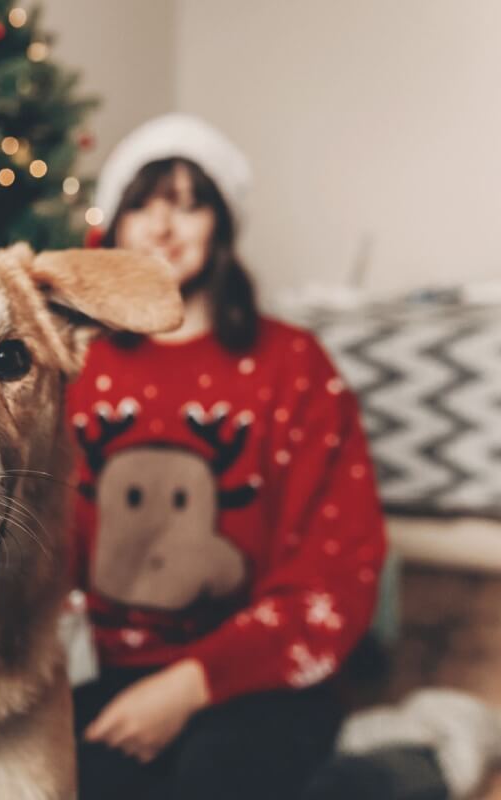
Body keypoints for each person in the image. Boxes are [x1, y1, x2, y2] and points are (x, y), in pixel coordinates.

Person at [67, 113, 387, 799]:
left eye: (189, 205)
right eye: (143, 205)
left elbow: (336, 572)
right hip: (96, 673)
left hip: (255, 682)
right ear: (115, 225)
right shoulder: (74, 366)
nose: (162, 227)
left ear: (222, 225)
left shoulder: (295, 368)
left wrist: (192, 684)